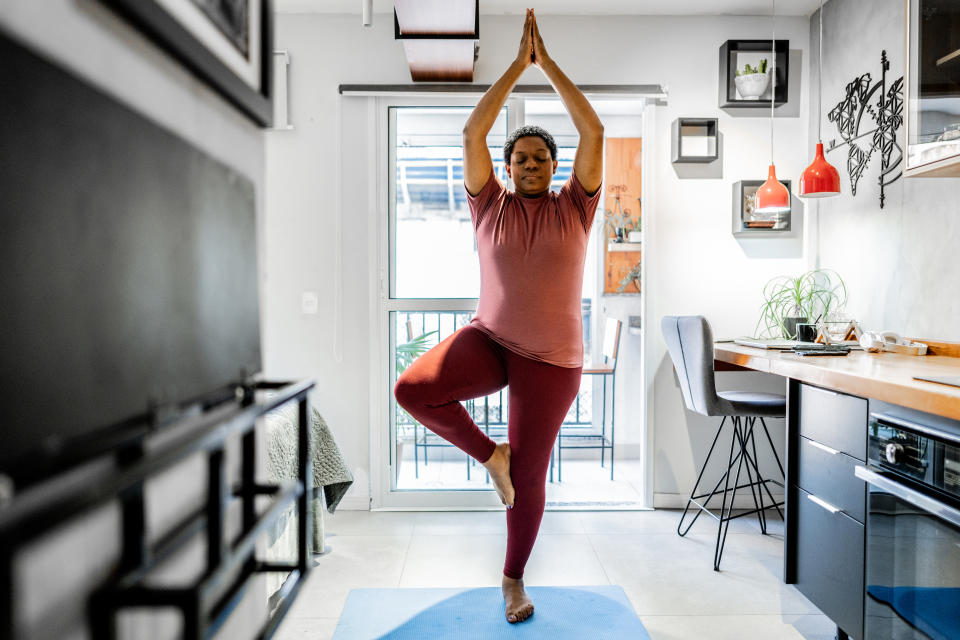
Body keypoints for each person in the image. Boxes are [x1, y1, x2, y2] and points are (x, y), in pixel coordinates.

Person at [393, 8, 603, 625]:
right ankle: (493, 457)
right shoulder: (489, 206)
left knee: (532, 478)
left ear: (555, 167)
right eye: (521, 158)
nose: (531, 164)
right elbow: (471, 133)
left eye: (541, 157)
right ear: (506, 167)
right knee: (413, 390)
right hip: (490, 338)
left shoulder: (576, 209)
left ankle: (513, 580)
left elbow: (592, 132)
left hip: (553, 359)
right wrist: (516, 66)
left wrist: (548, 65)